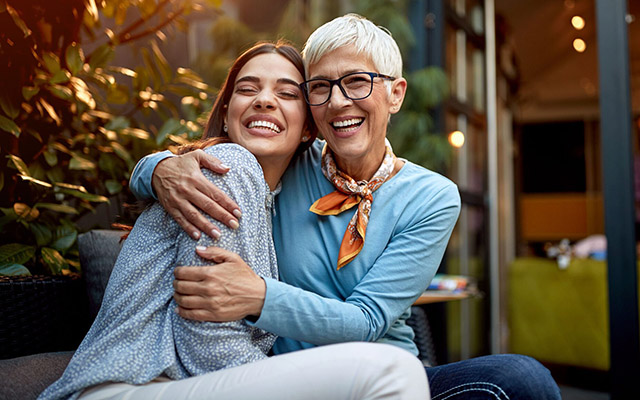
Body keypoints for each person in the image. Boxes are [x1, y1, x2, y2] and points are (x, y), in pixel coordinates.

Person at [131, 14, 561, 400]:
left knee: (520, 378)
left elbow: (368, 319)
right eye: (320, 87)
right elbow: (218, 157)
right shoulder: (286, 164)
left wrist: (258, 296)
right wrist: (157, 168)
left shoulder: (432, 197)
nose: (338, 102)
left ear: (395, 94)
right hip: (286, 378)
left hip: (389, 376)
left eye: (356, 81)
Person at [39, 41, 429, 400]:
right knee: (393, 372)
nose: (264, 100)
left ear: (309, 127)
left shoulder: (274, 196)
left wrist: (152, 167)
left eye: (287, 93)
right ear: (225, 113)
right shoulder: (230, 168)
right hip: (131, 385)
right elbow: (207, 340)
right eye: (247, 89)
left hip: (187, 384)